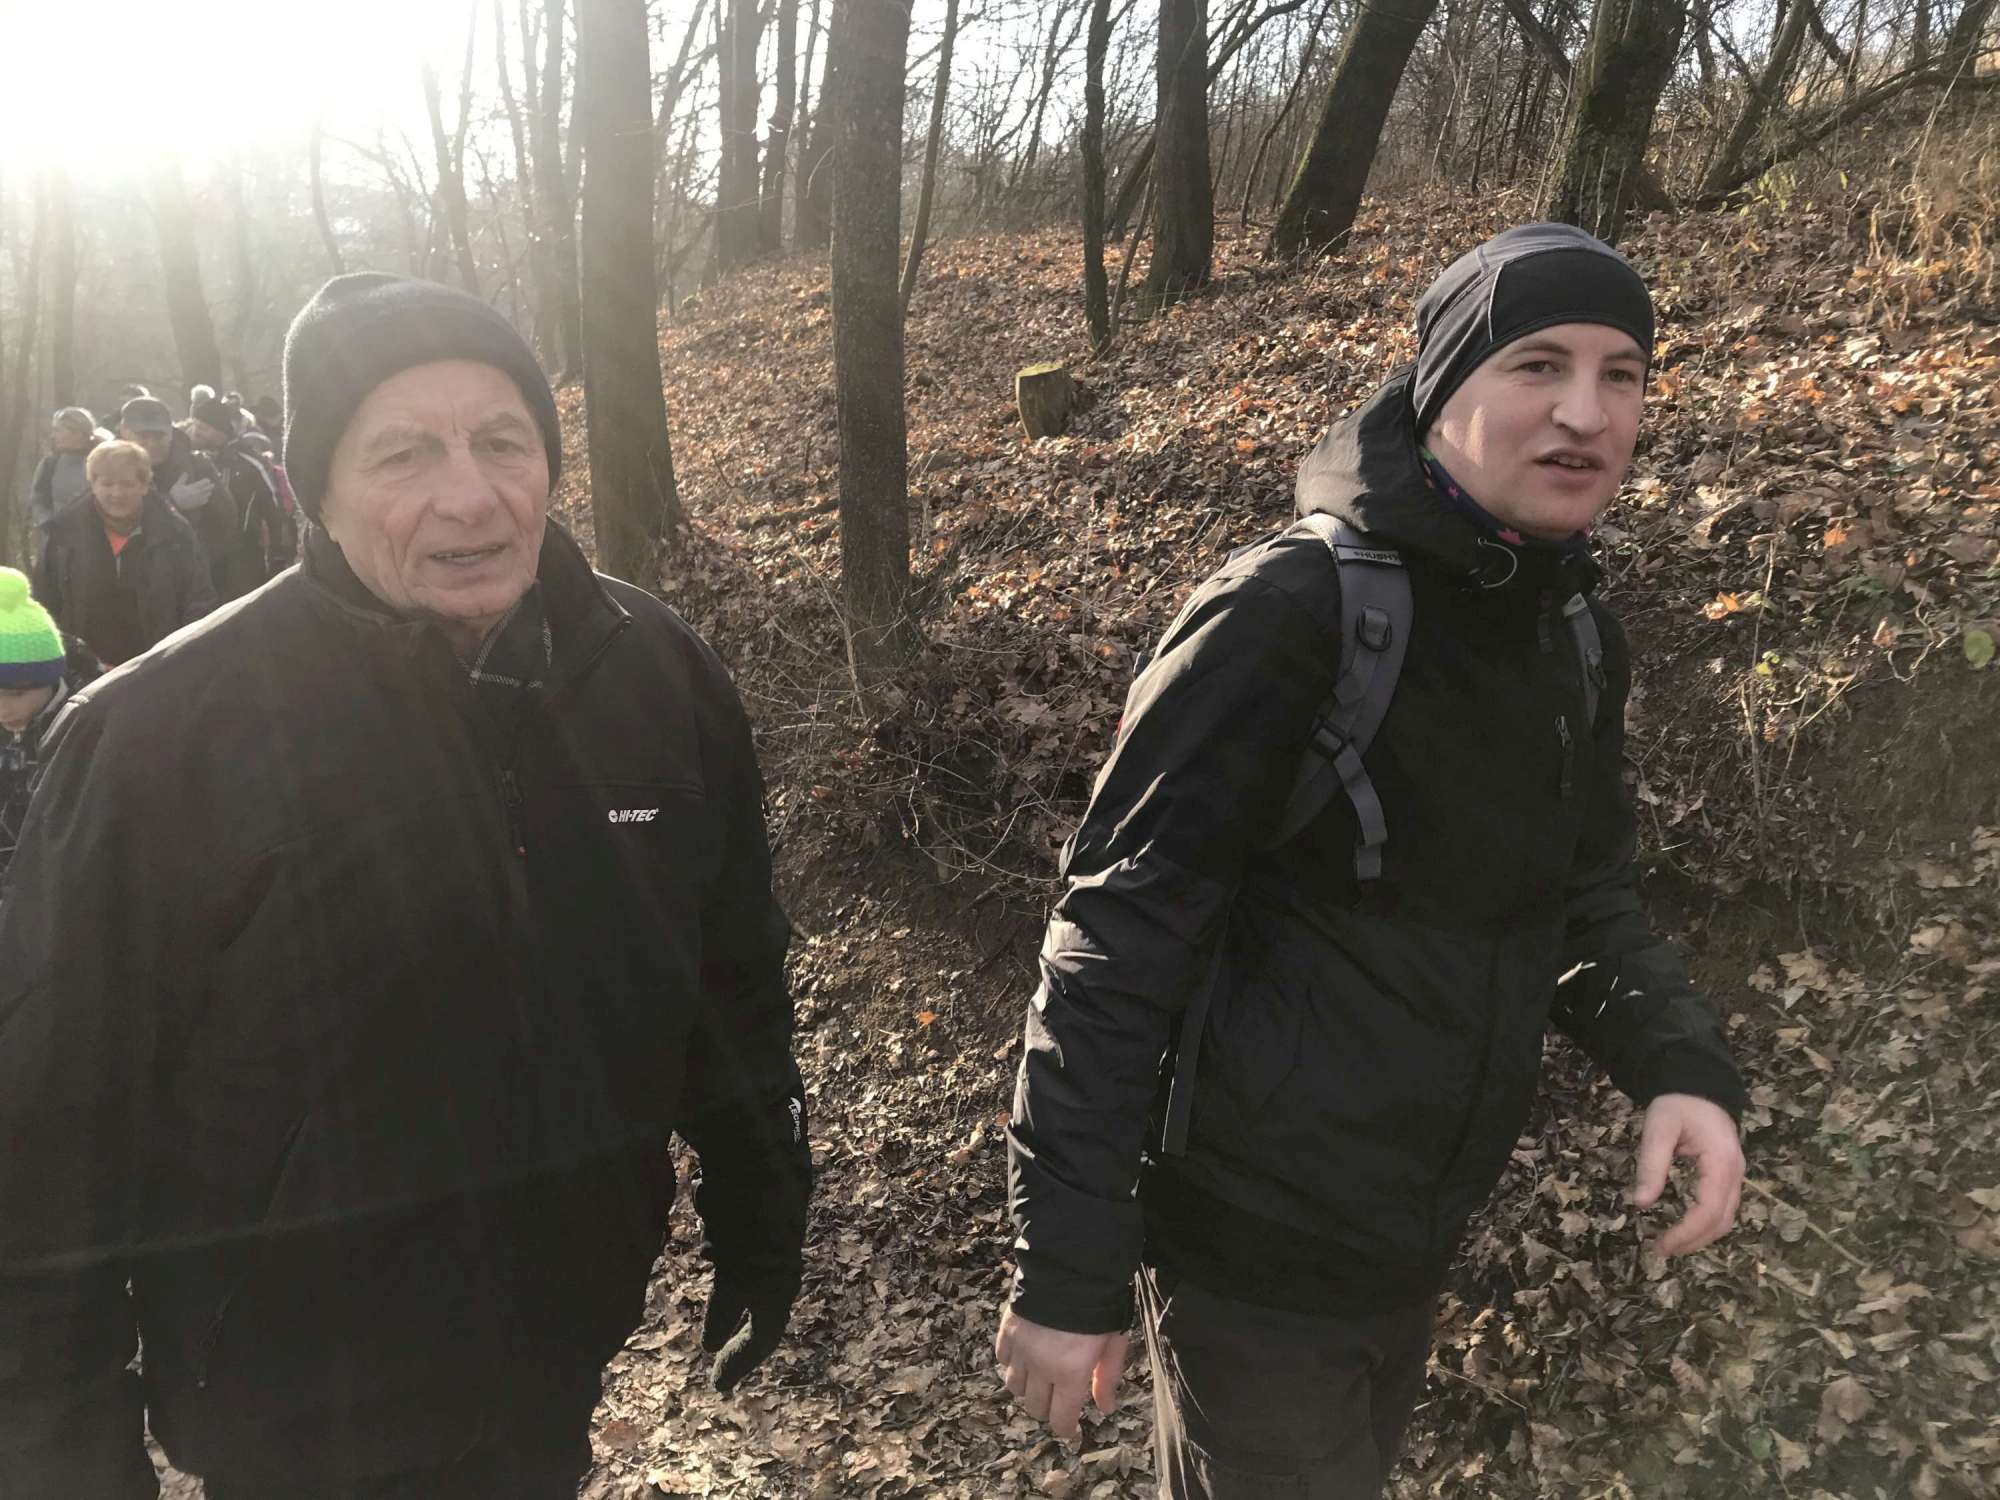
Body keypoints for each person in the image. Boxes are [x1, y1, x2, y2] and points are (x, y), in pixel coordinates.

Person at [0, 272, 812, 1500]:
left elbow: (726, 969)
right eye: (402, 453)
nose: (469, 496)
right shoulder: (156, 739)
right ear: (315, 490)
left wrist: (762, 1201)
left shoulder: (655, 675)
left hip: (556, 1358)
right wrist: (62, 1459)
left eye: (503, 442)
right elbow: (46, 1141)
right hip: (294, 1420)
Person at [995, 223, 1747, 1499]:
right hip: (1247, 1261)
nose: (1584, 412)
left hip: (1408, 1248)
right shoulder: (1286, 612)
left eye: (1620, 374)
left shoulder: (1570, 631)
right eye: (1537, 364)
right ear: (1441, 387)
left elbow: (1582, 895)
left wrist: (1674, 1062)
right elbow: (1113, 939)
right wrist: (1067, 1273)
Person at [33, 438, 215, 666]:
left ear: (144, 486)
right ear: (93, 485)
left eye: (127, 484)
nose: (117, 493)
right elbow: (44, 602)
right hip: (85, 669)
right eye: (107, 484)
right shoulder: (64, 533)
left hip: (157, 667)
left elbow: (198, 600)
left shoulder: (175, 533)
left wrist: (180, 659)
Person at [0, 567, 99, 890]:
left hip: (64, 881)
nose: (3, 709)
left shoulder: (85, 726)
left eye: (17, 694)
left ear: (49, 681)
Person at [117, 396, 249, 601]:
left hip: (187, 588)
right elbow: (108, 523)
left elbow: (226, 524)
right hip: (128, 587)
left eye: (159, 436)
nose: (151, 444)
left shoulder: (196, 467)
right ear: (124, 431)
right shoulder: (107, 467)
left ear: (171, 432)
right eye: (143, 436)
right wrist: (171, 503)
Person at [190, 391, 297, 586]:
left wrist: (278, 556)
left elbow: (275, 508)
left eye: (202, 428)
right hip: (201, 557)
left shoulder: (248, 461)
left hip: (242, 557)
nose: (194, 432)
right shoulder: (191, 460)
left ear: (219, 431)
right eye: (194, 425)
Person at [27, 408, 102, 534]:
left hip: (95, 537)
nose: (53, 436)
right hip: (58, 538)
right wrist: (46, 521)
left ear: (78, 433)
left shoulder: (103, 461)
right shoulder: (50, 464)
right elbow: (38, 499)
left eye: (58, 431)